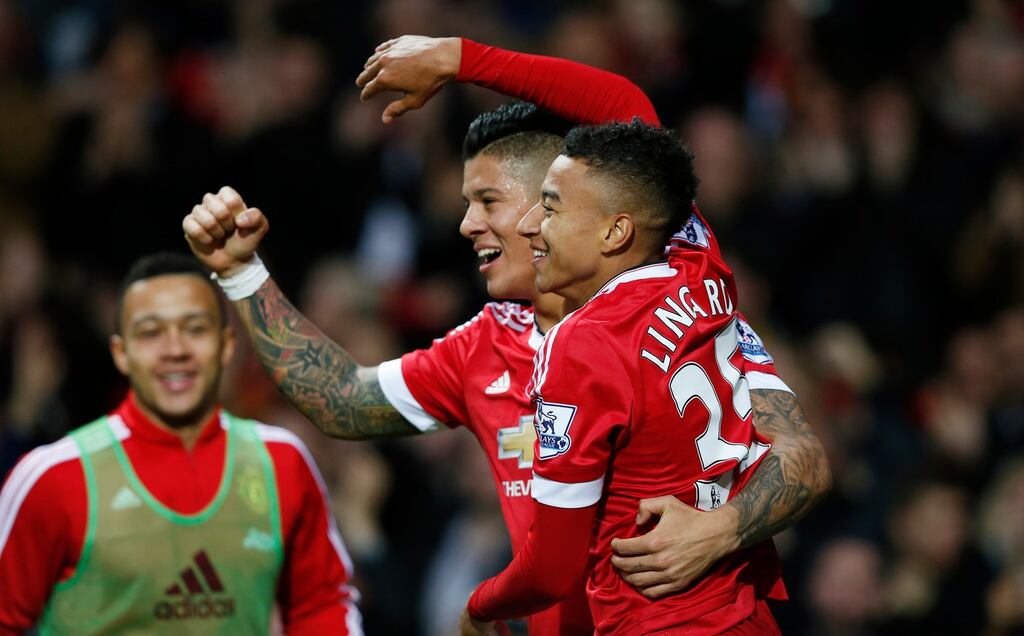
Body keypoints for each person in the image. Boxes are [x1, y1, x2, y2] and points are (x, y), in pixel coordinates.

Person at [183, 37, 828, 634]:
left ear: (567, 201)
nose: (467, 225)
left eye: (489, 201)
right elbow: (343, 400)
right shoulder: (483, 345)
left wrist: (459, 58)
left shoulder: (671, 255)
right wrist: (243, 276)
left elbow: (623, 109)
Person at [462, 120, 791, 635]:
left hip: (659, 622)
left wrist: (480, 606)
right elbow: (638, 136)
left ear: (615, 231)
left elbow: (550, 570)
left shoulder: (581, 345)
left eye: (549, 208)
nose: (531, 228)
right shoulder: (704, 273)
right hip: (748, 613)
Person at [0, 253, 361, 635]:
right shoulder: (53, 477)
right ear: (121, 353)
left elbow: (321, 605)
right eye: (151, 332)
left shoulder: (281, 463)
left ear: (227, 345)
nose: (175, 349)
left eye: (195, 328)